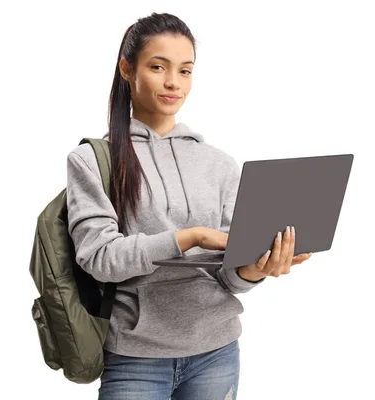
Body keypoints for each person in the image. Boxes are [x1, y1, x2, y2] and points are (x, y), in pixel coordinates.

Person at [65, 12, 312, 400]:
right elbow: (100, 258)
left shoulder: (219, 164)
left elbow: (228, 278)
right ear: (127, 69)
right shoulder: (93, 160)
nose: (172, 83)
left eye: (185, 71)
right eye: (158, 67)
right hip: (135, 360)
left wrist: (254, 269)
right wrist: (187, 237)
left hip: (217, 353)